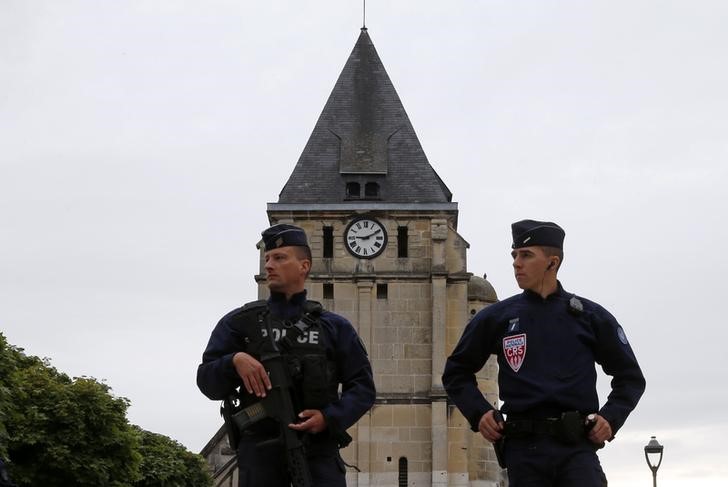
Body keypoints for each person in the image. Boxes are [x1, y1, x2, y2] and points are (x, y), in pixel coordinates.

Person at [442, 219, 646, 486]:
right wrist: (479, 412)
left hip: (576, 449)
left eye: (526, 255)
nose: (516, 263)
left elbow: (630, 378)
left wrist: (610, 417)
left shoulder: (590, 317)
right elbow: (456, 372)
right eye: (514, 255)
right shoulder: (497, 318)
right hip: (523, 452)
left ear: (553, 262)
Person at [197, 223, 376, 487]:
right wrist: (234, 361)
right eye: (267, 258)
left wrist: (329, 418)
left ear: (304, 266)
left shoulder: (333, 327)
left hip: (317, 455)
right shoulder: (240, 323)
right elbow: (207, 381)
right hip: (259, 456)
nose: (269, 265)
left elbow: (362, 388)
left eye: (280, 258)